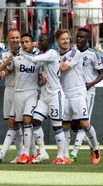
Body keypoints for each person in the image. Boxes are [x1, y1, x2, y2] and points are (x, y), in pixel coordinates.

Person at [55, 28, 101, 165]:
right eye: (63, 39)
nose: (66, 41)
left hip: (78, 92)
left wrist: (50, 58)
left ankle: (95, 148)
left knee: (84, 123)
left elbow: (63, 67)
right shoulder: (56, 54)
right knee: (65, 125)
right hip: (65, 93)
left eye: (67, 38)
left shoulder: (75, 52)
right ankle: (65, 156)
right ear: (57, 41)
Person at [19, 33, 66, 164]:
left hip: (55, 95)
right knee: (35, 121)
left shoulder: (52, 53)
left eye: (43, 41)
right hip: (45, 95)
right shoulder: (43, 56)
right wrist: (41, 79)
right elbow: (39, 70)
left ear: (49, 43)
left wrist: (21, 52)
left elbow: (34, 60)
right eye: (39, 40)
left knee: (57, 126)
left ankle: (61, 156)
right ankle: (43, 152)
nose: (40, 42)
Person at [1, 33, 41, 164]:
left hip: (32, 93)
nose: (24, 44)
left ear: (32, 43)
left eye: (27, 42)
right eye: (22, 42)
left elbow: (43, 73)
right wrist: (2, 71)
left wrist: (43, 79)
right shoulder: (17, 57)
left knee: (27, 120)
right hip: (18, 94)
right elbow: (8, 71)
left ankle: (26, 153)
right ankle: (33, 153)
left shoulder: (38, 58)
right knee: (20, 123)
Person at [69, 27, 103, 162]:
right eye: (77, 36)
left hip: (87, 92)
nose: (78, 39)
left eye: (82, 37)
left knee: (83, 122)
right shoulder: (71, 53)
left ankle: (74, 153)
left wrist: (91, 83)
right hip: (72, 91)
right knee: (72, 124)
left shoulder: (92, 54)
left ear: (88, 39)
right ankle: (93, 145)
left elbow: (102, 74)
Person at [0, 28, 24, 164]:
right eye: (13, 38)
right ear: (8, 39)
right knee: (12, 123)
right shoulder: (4, 54)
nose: (16, 40)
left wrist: (5, 70)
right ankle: (21, 153)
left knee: (18, 122)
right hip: (9, 90)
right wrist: (6, 64)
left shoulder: (26, 52)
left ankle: (22, 153)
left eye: (17, 37)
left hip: (22, 90)